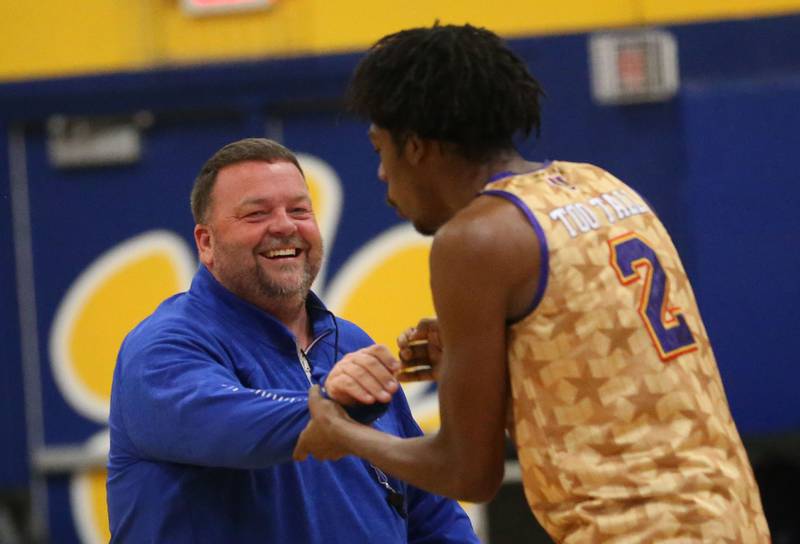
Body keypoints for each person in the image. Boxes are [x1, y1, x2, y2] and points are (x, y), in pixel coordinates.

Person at [293, 24, 772, 543]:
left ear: (416, 146)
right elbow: (600, 371)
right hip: (729, 515)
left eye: (379, 148)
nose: (382, 174)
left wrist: (344, 434)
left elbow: (466, 472)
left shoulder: (475, 239)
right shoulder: (601, 185)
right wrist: (486, 354)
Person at [106, 137, 479, 543]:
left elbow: (430, 508)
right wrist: (333, 405)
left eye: (299, 210)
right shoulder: (163, 347)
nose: (285, 225)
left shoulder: (349, 343)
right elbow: (238, 429)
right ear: (206, 243)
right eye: (256, 214)